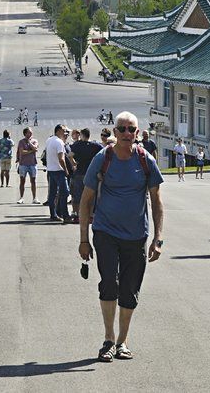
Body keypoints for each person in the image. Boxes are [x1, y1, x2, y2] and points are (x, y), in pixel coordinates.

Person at [79, 111, 165, 362]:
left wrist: (157, 239)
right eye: (122, 129)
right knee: (109, 283)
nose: (127, 134)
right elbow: (85, 201)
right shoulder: (102, 158)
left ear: (138, 133)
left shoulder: (145, 160)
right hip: (105, 231)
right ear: (115, 133)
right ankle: (108, 338)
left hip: (137, 235)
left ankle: (122, 341)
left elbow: (157, 202)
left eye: (132, 129)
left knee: (129, 289)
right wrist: (83, 239)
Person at [69, 128, 102, 224]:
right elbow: (102, 154)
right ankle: (90, 216)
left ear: (82, 135)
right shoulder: (95, 146)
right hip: (90, 173)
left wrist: (74, 164)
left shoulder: (77, 145)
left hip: (79, 172)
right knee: (91, 196)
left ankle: (76, 215)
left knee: (77, 196)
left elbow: (70, 155)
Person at [45, 124, 73, 223]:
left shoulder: (49, 140)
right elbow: (61, 159)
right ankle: (65, 215)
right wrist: (66, 170)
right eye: (64, 131)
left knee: (52, 194)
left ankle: (53, 214)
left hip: (51, 170)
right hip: (59, 171)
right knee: (64, 193)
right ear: (58, 131)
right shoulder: (59, 142)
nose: (65, 133)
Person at [15, 128, 40, 205]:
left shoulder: (34, 140)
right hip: (23, 164)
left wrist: (29, 142)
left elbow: (35, 148)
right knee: (22, 181)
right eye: (29, 133)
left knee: (33, 181)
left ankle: (34, 198)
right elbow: (22, 152)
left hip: (32, 164)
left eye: (31, 133)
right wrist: (31, 151)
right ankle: (21, 198)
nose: (30, 134)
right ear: (25, 134)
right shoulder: (21, 142)